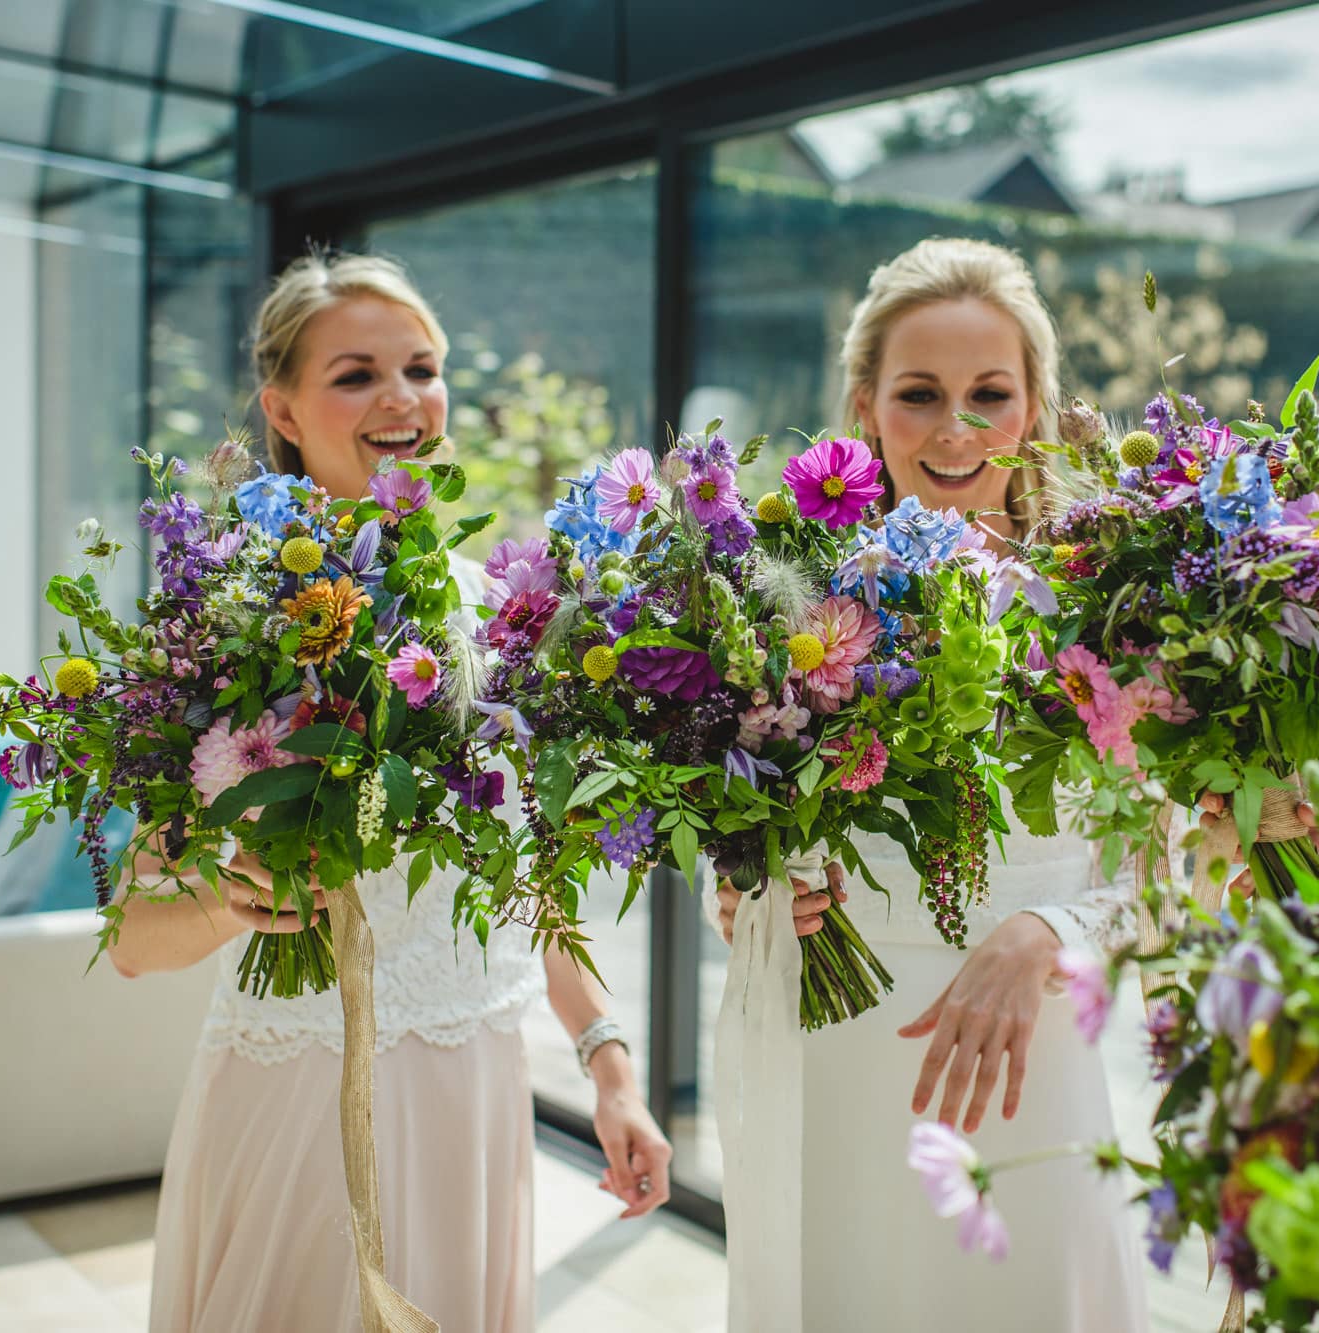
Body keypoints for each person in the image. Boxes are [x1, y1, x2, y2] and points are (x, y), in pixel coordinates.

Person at [110, 253, 672, 1332]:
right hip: (301, 1099)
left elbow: (533, 886)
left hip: (474, 1096)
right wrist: (230, 902)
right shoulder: (219, 621)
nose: (402, 399)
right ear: (280, 407)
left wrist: (609, 1064)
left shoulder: (497, 615)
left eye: (421, 367)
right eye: (357, 374)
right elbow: (134, 938)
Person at [712, 238, 1150, 1333]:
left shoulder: (1115, 601)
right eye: (919, 394)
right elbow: (734, 822)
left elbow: (1167, 867)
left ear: (1035, 405)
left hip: (1030, 1062)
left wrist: (1050, 926)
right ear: (864, 407)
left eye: (987, 394)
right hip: (839, 1046)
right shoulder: (783, 608)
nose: (955, 428)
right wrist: (748, 891)